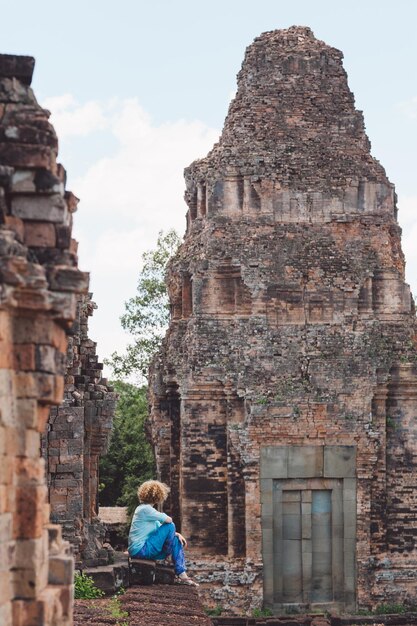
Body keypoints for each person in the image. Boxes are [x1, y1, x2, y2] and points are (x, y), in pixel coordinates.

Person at [128, 479, 199, 586]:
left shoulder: (147, 512)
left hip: (144, 550)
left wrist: (177, 534)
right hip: (142, 550)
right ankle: (171, 560)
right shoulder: (146, 509)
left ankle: (182, 574)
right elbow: (169, 521)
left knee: (176, 539)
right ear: (158, 496)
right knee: (171, 525)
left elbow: (161, 530)